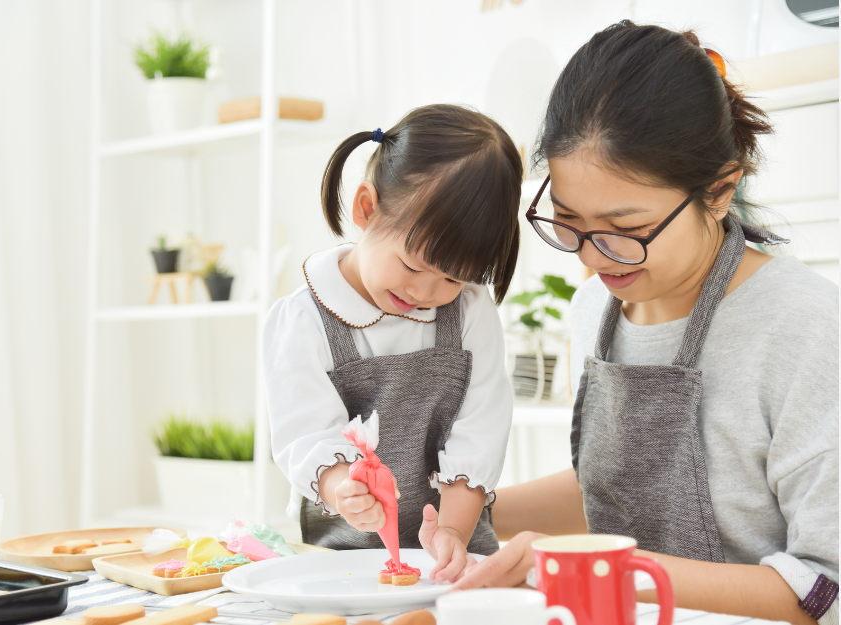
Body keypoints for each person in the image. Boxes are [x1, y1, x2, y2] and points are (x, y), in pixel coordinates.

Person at [432, 22, 838, 625]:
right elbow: (613, 485)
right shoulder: (595, 308)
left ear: (721, 190)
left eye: (626, 231)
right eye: (569, 224)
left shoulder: (806, 326)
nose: (593, 258)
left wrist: (592, 569)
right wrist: (455, 519)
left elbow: (823, 589)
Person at [264, 104, 522, 582]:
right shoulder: (303, 319)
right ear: (367, 208)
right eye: (412, 265)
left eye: (450, 276)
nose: (425, 293)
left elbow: (480, 427)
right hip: (342, 562)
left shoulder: (469, 310)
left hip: (455, 557)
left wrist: (451, 532)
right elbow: (304, 433)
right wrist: (344, 488)